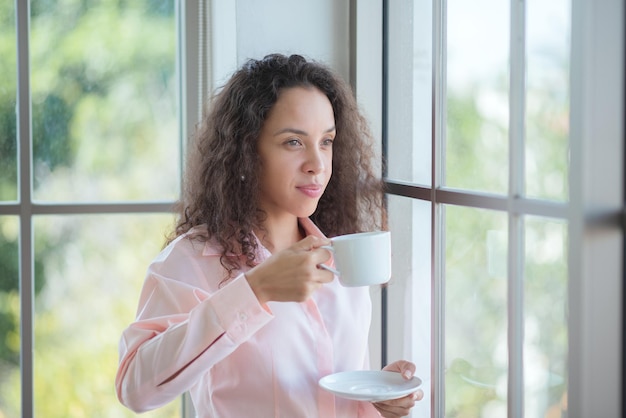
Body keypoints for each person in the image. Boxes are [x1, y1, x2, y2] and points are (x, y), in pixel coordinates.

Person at [115, 53, 423, 417]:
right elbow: (135, 389)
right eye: (294, 142)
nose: (318, 164)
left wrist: (375, 400)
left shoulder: (341, 257)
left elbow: (329, 397)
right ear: (247, 151)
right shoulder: (195, 260)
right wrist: (254, 289)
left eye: (326, 141)